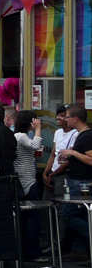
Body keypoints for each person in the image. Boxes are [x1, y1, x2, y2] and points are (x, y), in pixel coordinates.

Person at [41, 104, 77, 253]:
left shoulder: (75, 134)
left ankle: (58, 246)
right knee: (45, 209)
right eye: (59, 115)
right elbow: (53, 154)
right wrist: (46, 172)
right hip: (52, 174)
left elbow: (68, 159)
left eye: (63, 115)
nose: (59, 118)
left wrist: (53, 174)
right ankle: (44, 242)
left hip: (63, 175)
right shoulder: (57, 133)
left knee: (61, 212)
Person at [58, 104, 92, 255]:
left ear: (76, 118)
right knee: (82, 215)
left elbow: (90, 159)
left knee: (69, 214)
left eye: (68, 117)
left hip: (82, 182)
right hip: (77, 179)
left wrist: (73, 153)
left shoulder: (87, 136)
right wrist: (69, 156)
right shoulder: (80, 134)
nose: (66, 119)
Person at [12, 111, 43, 259]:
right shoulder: (20, 136)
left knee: (25, 218)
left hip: (25, 177)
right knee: (33, 217)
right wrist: (38, 129)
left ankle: (25, 249)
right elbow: (36, 146)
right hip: (27, 180)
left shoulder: (20, 136)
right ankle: (32, 251)